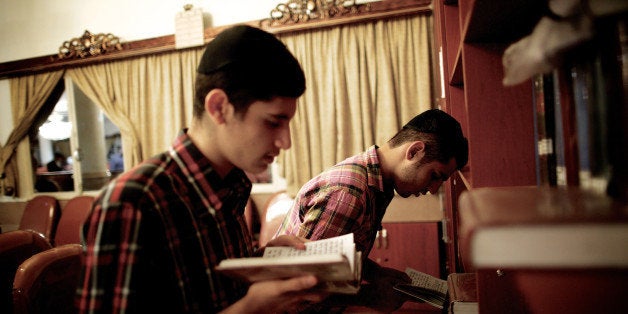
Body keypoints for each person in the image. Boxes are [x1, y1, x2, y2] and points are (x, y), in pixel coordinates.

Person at [76, 25, 326, 313]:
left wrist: (261, 262)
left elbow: (209, 292)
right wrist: (251, 310)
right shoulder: (133, 202)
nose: (286, 142)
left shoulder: (230, 185)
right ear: (219, 107)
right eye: (273, 122)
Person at [274, 109, 469, 312]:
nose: (433, 189)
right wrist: (369, 296)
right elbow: (299, 288)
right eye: (435, 175)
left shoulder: (375, 183)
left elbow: (335, 256)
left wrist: (376, 273)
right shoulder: (348, 194)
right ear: (414, 152)